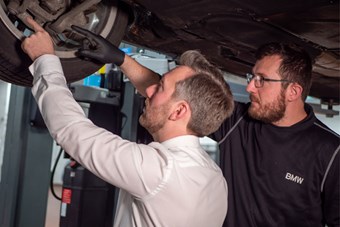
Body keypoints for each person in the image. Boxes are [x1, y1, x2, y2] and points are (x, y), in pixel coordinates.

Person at [68, 25, 340, 226]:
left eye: (261, 80)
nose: (249, 87)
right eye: (251, 76)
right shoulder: (241, 123)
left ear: (293, 91)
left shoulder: (330, 153)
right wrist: (121, 60)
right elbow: (170, 94)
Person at [21, 17, 235, 227]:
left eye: (159, 87)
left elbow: (72, 131)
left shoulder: (160, 170)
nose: (148, 90)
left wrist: (45, 59)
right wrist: (120, 59)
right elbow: (167, 99)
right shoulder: (216, 179)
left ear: (179, 111)